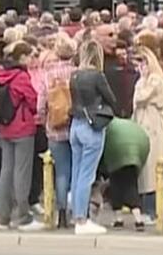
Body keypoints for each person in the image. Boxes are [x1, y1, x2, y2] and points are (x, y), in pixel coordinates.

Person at [69, 40, 118, 235]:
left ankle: (76, 216)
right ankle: (82, 220)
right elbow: (111, 99)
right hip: (92, 126)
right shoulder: (97, 75)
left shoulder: (74, 75)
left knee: (77, 172)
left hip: (76, 124)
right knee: (87, 175)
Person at [0, 41, 44, 232]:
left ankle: (3, 218)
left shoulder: (1, 73)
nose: (33, 59)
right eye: (31, 55)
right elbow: (33, 100)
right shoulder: (21, 76)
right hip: (22, 127)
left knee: (6, 172)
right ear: (22, 57)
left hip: (5, 126)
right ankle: (23, 216)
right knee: (21, 173)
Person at [36, 35, 76, 228]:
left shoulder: (48, 74)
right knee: (77, 169)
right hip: (75, 125)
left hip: (54, 127)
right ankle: (75, 209)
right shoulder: (77, 73)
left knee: (61, 171)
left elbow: (41, 103)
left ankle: (61, 214)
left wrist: (45, 121)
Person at [132, 45, 163, 220]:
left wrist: (142, 80)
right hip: (142, 121)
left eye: (141, 62)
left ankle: (153, 209)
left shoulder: (154, 80)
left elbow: (141, 98)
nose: (139, 67)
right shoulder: (143, 80)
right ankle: (148, 207)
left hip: (153, 123)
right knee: (145, 168)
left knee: (153, 166)